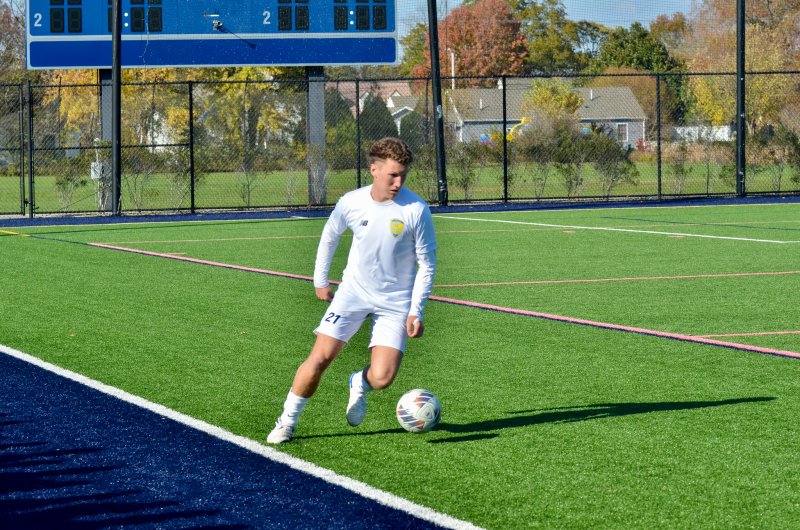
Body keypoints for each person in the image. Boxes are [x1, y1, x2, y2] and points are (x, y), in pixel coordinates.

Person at [267, 137, 437, 444]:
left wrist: (416, 311)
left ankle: (359, 381)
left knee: (382, 378)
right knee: (319, 358)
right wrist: (320, 280)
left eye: (403, 176)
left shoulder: (416, 209)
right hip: (353, 293)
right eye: (392, 175)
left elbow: (427, 264)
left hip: (395, 302)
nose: (398, 183)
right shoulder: (351, 202)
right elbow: (330, 236)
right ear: (374, 169)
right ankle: (287, 421)